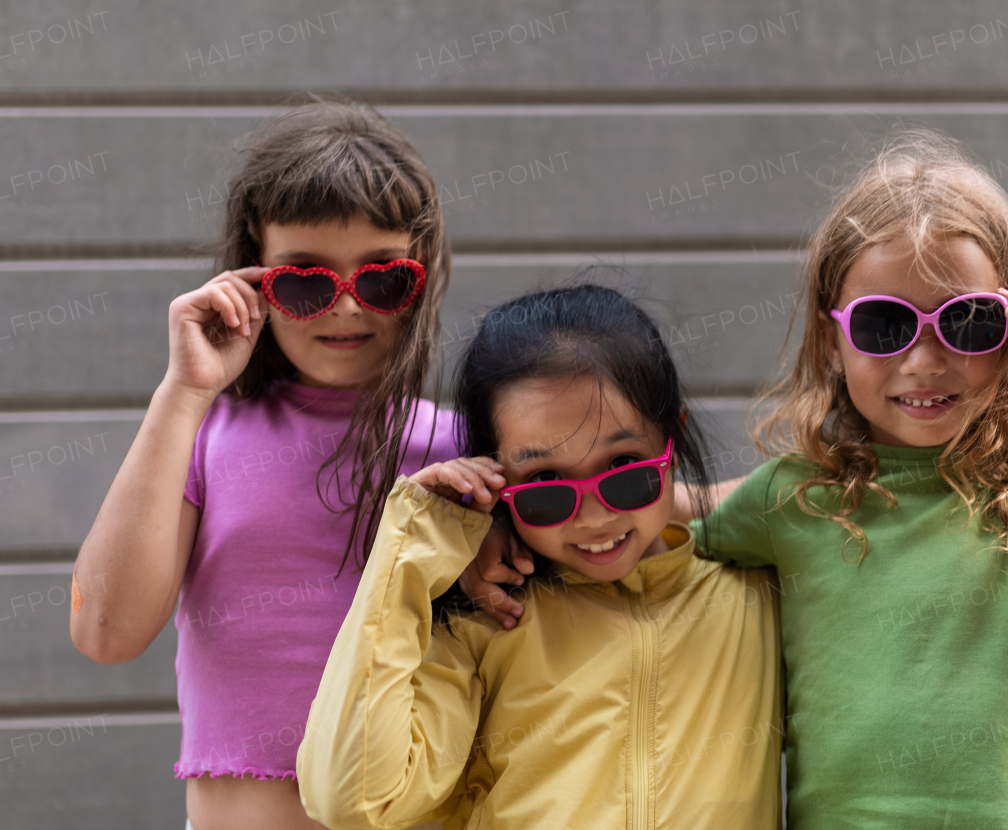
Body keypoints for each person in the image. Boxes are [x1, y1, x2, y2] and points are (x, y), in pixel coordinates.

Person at [690, 130, 1008, 827]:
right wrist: (491, 497)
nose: (925, 360)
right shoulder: (796, 497)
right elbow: (629, 513)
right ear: (828, 342)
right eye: (883, 325)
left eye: (967, 321)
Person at [70, 97, 456, 830]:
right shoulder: (201, 433)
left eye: (381, 277)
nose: (346, 308)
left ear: (422, 273)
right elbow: (105, 631)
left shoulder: (462, 451)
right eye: (305, 280)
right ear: (253, 274)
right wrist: (182, 391)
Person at [297, 284, 785, 829]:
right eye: (546, 486)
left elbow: (836, 492)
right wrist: (413, 549)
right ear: (498, 482)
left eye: (625, 468)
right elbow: (354, 799)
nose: (595, 516)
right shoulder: (484, 621)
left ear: (674, 435)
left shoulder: (759, 597)